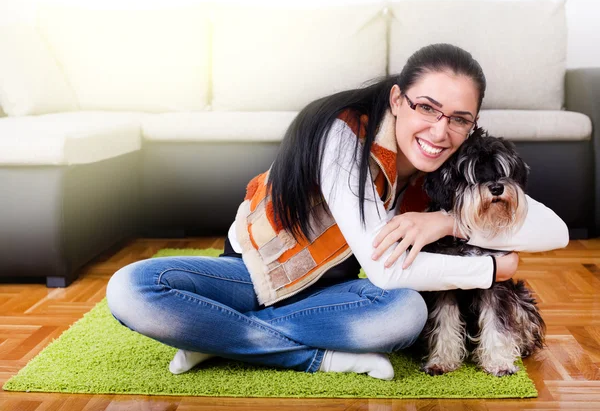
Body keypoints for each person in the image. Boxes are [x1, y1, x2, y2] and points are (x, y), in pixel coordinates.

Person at [106, 43, 569, 381]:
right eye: (426, 107)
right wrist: (489, 268)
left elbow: (556, 230)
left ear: (472, 124)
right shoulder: (343, 135)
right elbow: (384, 273)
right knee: (133, 288)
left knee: (405, 315)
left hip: (329, 294)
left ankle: (217, 339)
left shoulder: (456, 162)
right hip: (254, 273)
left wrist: (444, 220)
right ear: (396, 100)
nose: (439, 129)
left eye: (459, 118)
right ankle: (320, 357)